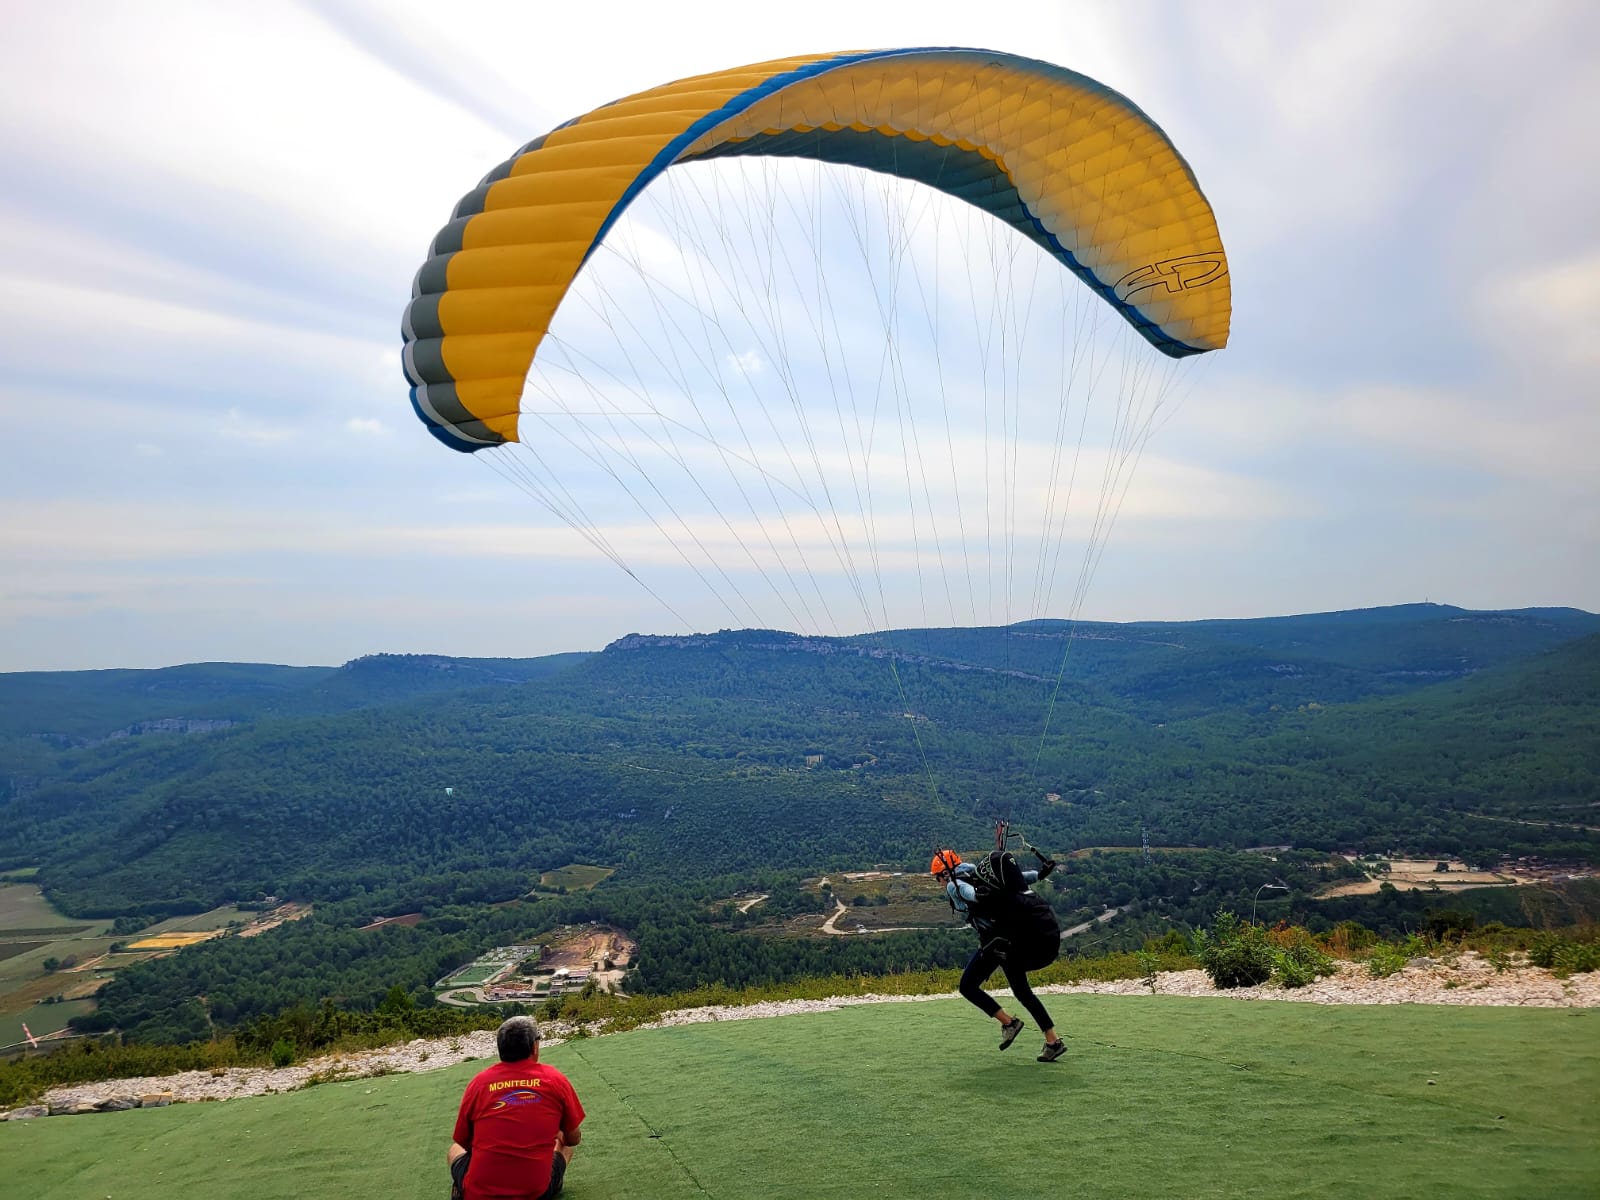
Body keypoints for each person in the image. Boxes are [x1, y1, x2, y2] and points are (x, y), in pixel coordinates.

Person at [932, 847, 1067, 1063]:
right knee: (1022, 992)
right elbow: (1018, 880)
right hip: (1011, 939)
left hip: (995, 943)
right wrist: (1039, 874)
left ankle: (1009, 1023)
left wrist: (975, 896)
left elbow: (966, 892)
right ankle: (1053, 1041)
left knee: (967, 986)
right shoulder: (978, 872)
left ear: (943, 874)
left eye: (937, 878)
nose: (938, 883)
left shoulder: (953, 885)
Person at [449, 1015, 586, 1200]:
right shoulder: (554, 1079)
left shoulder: (479, 1083)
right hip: (535, 1193)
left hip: (479, 1194)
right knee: (564, 1146)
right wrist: (558, 1136)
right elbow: (574, 1138)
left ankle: (461, 1188)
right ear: (534, 1047)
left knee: (454, 1150)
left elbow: (464, 1142)